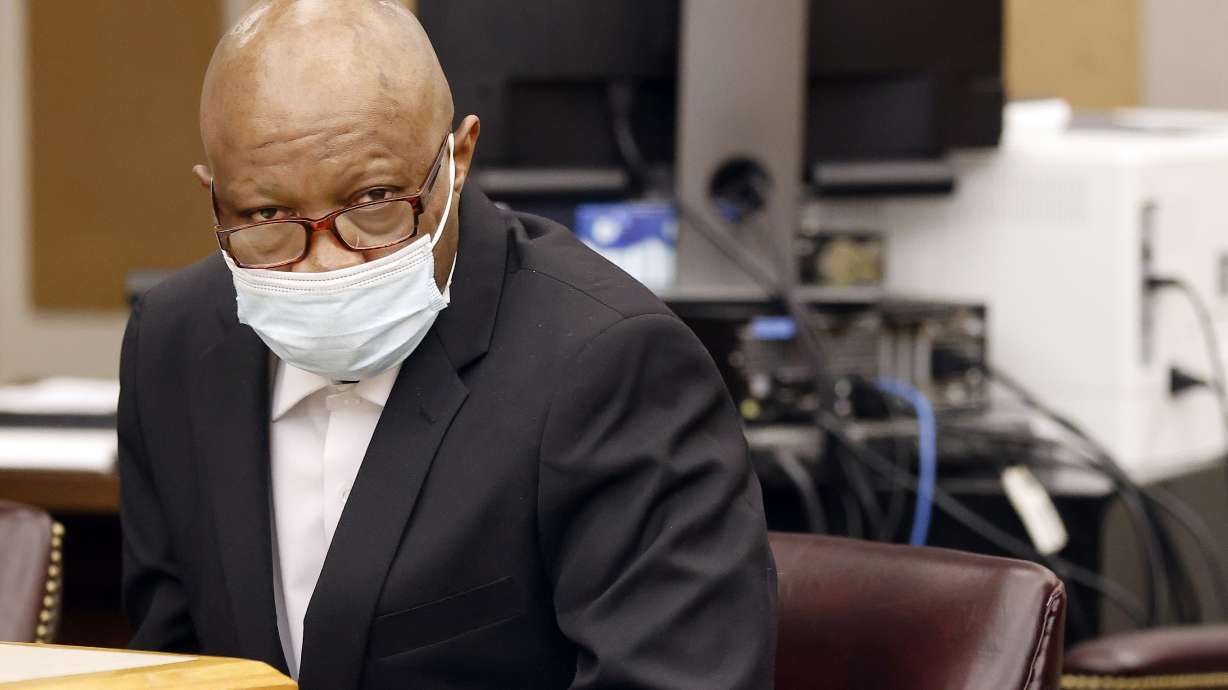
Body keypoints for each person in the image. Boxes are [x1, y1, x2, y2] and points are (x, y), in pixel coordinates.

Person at [118, 1, 776, 688]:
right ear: (213, 196)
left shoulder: (611, 365)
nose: (326, 263)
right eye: (266, 215)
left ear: (458, 159)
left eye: (373, 201)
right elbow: (173, 664)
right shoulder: (175, 344)